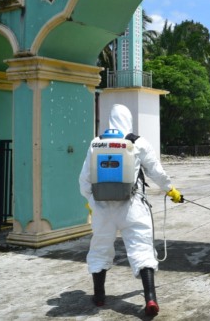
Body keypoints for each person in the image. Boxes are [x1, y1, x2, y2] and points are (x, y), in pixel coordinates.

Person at [79, 104, 183, 316]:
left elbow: (84, 180)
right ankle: (151, 299)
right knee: (142, 250)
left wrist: (91, 201)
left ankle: (99, 297)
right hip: (132, 207)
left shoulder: (95, 143)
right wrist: (171, 190)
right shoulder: (137, 142)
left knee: (99, 249)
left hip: (102, 208)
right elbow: (156, 171)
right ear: (128, 121)